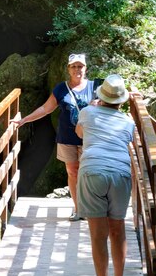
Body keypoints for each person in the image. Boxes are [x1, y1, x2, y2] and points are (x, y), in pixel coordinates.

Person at [11, 53, 102, 221]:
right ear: (68, 69)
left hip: (90, 138)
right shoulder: (61, 89)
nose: (77, 69)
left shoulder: (96, 86)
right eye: (74, 66)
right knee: (73, 172)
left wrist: (132, 95)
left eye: (80, 66)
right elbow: (46, 109)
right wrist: (23, 120)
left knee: (88, 173)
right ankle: (78, 209)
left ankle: (91, 207)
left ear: (86, 68)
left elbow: (115, 98)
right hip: (67, 137)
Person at [75, 74, 135, 276]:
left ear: (100, 97)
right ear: (121, 101)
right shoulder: (128, 122)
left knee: (98, 235)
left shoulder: (88, 112)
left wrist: (91, 107)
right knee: (117, 229)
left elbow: (80, 133)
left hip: (93, 170)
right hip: (121, 172)